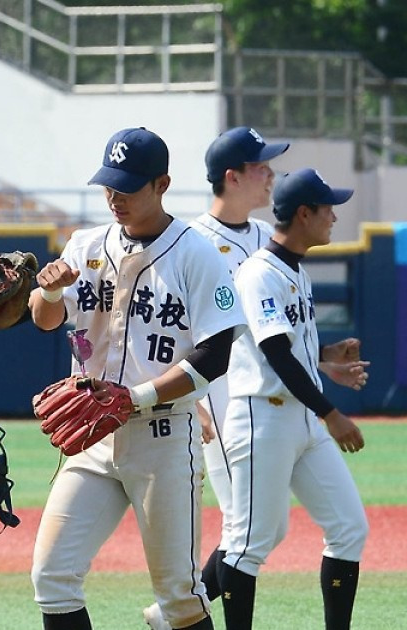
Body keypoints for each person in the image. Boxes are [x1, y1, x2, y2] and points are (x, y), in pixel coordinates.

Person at [28, 127, 245, 630]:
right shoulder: (84, 244)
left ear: (162, 184)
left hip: (163, 438)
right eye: (109, 184)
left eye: (127, 186)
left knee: (179, 597)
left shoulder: (196, 253)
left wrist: (134, 398)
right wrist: (51, 293)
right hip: (91, 438)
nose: (114, 196)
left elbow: (215, 355)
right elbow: (43, 318)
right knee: (52, 576)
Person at [143, 126, 289, 630]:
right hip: (218, 398)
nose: (270, 173)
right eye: (261, 166)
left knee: (256, 529)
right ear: (233, 176)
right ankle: (179, 612)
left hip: (253, 389)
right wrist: (197, 402)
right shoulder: (193, 241)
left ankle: (173, 613)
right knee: (245, 528)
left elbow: (267, 325)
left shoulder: (264, 239)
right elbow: (170, 327)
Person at [219, 168, 370, 630]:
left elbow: (289, 347)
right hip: (263, 418)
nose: (333, 218)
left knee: (349, 529)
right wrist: (332, 414)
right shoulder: (259, 273)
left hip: (299, 417)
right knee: (249, 544)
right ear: (304, 213)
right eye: (328, 209)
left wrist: (325, 356)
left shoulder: (293, 269)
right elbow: (277, 355)